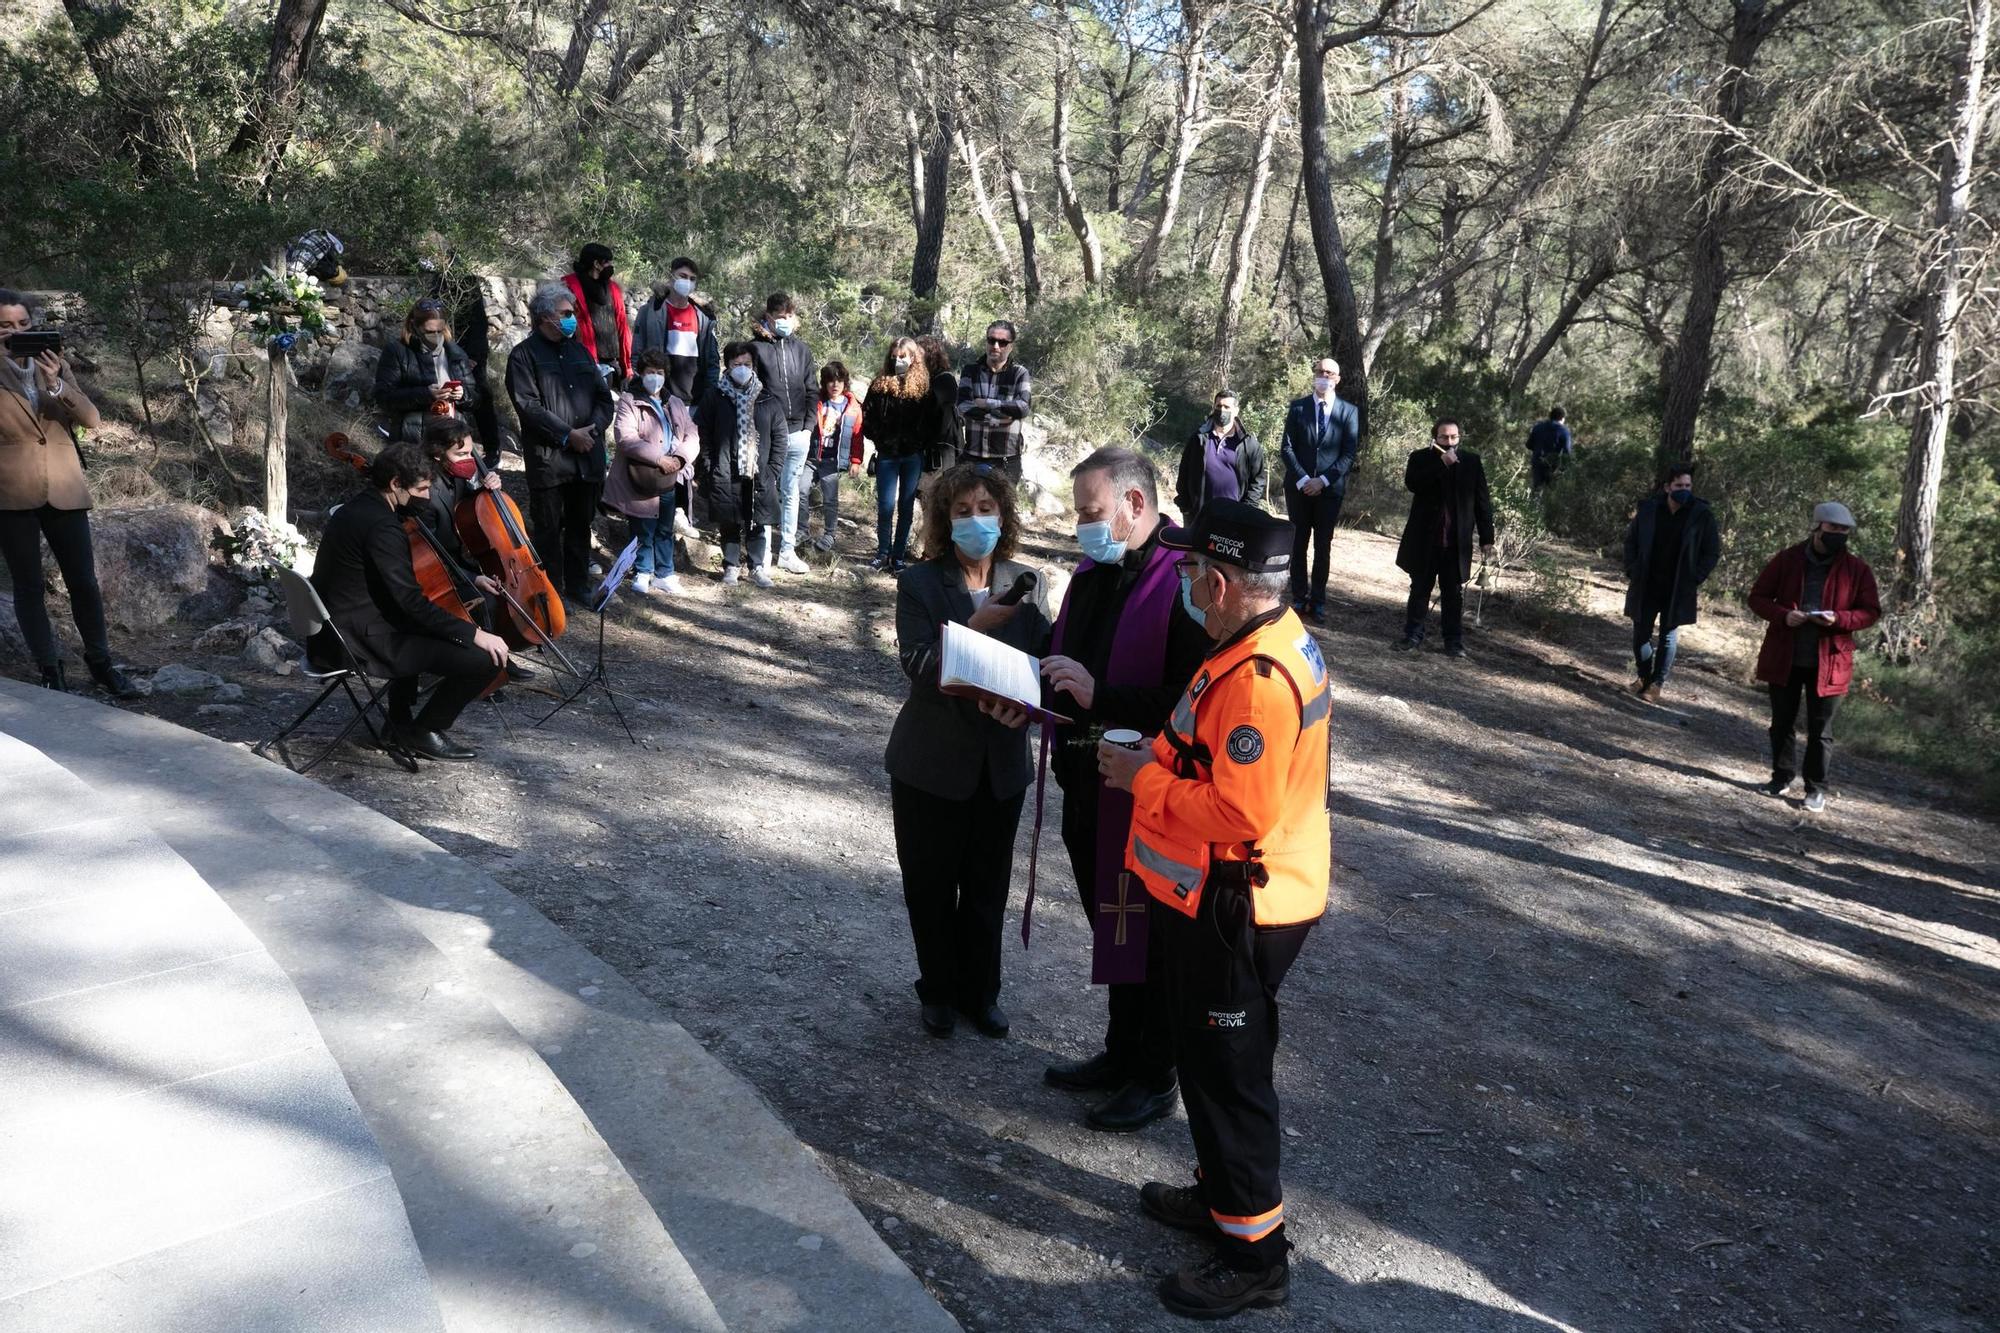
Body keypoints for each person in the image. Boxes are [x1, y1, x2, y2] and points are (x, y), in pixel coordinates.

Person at [1095, 499, 1330, 1320]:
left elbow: (1241, 814)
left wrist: (1142, 782)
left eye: (1194, 570)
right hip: (1217, 895)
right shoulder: (1248, 642)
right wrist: (1151, 754)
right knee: (1204, 1059)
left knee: (1230, 1078)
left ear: (1224, 582)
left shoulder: (1261, 678)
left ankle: (1256, 1255)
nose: (1186, 581)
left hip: (1240, 903)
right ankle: (1220, 1197)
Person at [1037, 447, 1209, 1132]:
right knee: (1112, 920)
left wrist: (1101, 693)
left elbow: (1192, 698)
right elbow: (1062, 658)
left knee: (1154, 940)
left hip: (1151, 794)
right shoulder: (1092, 570)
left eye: (1092, 512)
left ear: (1135, 505)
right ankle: (1119, 1051)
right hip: (1087, 778)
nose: (1083, 527)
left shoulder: (1185, 583)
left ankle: (1155, 1073)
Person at [884, 463, 1051, 1039]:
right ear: (943, 519)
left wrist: (1027, 708)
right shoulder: (920, 584)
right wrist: (974, 626)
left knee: (986, 889)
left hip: (1001, 767)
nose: (976, 519)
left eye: (986, 508)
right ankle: (938, 992)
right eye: (962, 510)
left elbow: (1043, 666)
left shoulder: (1029, 581)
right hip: (929, 766)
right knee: (930, 887)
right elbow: (919, 664)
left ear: (1003, 516)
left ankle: (982, 994)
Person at [308, 440, 511, 762]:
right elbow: (410, 603)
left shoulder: (355, 509)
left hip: (332, 631)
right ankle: (423, 731)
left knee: (422, 629)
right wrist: (475, 633)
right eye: (421, 489)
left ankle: (399, 722)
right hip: (355, 642)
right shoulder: (382, 527)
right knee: (486, 660)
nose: (427, 497)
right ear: (394, 484)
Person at [0, 290, 137, 697]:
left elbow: (92, 420)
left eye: (23, 325)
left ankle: (100, 663)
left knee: (84, 582)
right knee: (28, 587)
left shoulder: (54, 365)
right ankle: (49, 670)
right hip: (10, 493)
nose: (15, 333)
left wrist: (57, 383)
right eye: (5, 326)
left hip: (63, 486)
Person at [1747, 502, 1881, 814]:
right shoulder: (1787, 559)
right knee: (1781, 723)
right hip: (1786, 656)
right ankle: (1780, 777)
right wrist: (1783, 615)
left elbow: (1871, 611)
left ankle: (1815, 789)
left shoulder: (1857, 570)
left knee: (1821, 732)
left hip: (1831, 661)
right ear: (1818, 528)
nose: (1839, 535)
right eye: (1834, 529)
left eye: (1844, 531)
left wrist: (1840, 619)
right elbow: (1758, 597)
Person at [506, 282, 615, 604]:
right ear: (544, 316)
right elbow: (528, 406)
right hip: (551, 461)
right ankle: (549, 594)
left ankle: (578, 587)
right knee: (549, 531)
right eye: (566, 314)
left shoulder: (579, 351)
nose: (572, 320)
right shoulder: (523, 356)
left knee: (581, 528)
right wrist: (568, 435)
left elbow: (603, 399)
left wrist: (592, 431)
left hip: (586, 459)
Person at [1394, 418, 1494, 658]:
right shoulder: (1420, 458)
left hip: (1455, 543)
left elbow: (1482, 502)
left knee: (1453, 593)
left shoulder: (1471, 461)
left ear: (1459, 437)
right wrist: (1441, 464)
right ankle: (1413, 636)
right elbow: (1413, 484)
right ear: (1434, 438)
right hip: (1425, 539)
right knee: (1420, 589)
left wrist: (1487, 538)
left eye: (1454, 437)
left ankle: (1453, 642)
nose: (1449, 442)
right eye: (1444, 437)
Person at [1622, 463, 1719, 703]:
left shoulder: (1701, 514)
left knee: (1668, 635)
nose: (1684, 490)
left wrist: (1695, 578)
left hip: (1678, 587)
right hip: (1647, 582)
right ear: (1667, 487)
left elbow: (1711, 552)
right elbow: (1631, 541)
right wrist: (1632, 569)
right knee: (1640, 634)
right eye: (1679, 486)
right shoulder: (1649, 510)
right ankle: (1644, 677)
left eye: (1688, 485)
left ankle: (1656, 684)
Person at [605, 348, 699, 596]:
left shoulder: (675, 402)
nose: (655, 377)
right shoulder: (629, 400)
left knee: (665, 528)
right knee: (642, 527)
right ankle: (642, 571)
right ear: (641, 373)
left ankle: (665, 573)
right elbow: (626, 438)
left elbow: (692, 433)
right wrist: (659, 459)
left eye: (659, 372)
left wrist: (679, 458)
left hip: (671, 475)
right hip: (642, 475)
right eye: (650, 372)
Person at [1277, 356, 1360, 621]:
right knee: (1298, 543)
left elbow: (1348, 454)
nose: (1324, 376)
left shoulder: (1349, 412)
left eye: (1329, 372)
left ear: (1337, 379)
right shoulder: (1299, 408)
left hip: (1329, 491)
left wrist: (1322, 481)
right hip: (1299, 489)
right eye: (1320, 371)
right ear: (1314, 375)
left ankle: (1318, 600)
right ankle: (1299, 598)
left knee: (1323, 546)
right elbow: (1287, 448)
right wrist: (1303, 479)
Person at [698, 342, 784, 588]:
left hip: (758, 472)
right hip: (726, 469)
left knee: (757, 519)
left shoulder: (767, 398)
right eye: (737, 364)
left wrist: (772, 470)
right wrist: (709, 463)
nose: (742, 369)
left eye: (747, 364)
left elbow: (780, 437)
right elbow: (703, 432)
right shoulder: (715, 396)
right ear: (727, 365)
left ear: (754, 366)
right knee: (730, 520)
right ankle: (731, 566)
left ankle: (757, 566)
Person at [748, 292, 816, 574]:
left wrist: (810, 427)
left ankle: (786, 551)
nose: (784, 322)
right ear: (768, 318)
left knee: (792, 492)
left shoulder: (802, 350)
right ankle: (761, 555)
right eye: (778, 318)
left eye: (788, 317)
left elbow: (812, 390)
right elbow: (752, 391)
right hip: (769, 433)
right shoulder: (755, 349)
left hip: (799, 431)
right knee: (765, 490)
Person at [417, 243, 503, 467]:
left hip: (468, 352)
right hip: (444, 348)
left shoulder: (465, 283)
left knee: (480, 397)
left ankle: (492, 448)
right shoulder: (437, 280)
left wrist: (473, 356)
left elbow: (478, 323)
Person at [862, 336, 939, 572]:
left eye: (903, 357)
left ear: (913, 358)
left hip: (912, 456)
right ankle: (882, 553)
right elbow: (868, 417)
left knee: (906, 506)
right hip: (887, 455)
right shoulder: (879, 384)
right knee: (885, 505)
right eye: (895, 357)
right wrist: (881, 439)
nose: (898, 361)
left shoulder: (925, 387)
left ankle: (898, 556)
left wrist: (918, 443)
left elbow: (932, 422)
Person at [373, 298, 476, 444]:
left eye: (440, 331)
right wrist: (426, 394)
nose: (435, 336)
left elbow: (476, 398)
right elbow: (383, 397)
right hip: (412, 437)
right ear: (414, 326)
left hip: (452, 435)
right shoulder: (396, 351)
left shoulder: (455, 352)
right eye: (429, 331)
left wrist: (462, 394)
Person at [631, 256, 719, 409]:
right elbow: (637, 353)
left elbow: (712, 361)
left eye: (692, 279)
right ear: (670, 278)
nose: (687, 282)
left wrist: (710, 395)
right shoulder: (650, 312)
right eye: (683, 276)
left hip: (695, 404)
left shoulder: (703, 317)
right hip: (660, 400)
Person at [956, 320, 1032, 485]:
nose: (996, 346)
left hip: (1006, 459)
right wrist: (1001, 419)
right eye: (992, 340)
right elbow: (962, 406)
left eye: (1003, 342)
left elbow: (1023, 408)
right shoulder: (971, 371)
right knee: (967, 508)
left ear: (1010, 346)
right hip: (972, 455)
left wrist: (988, 403)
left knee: (1004, 510)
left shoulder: (1019, 373)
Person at [1176, 389, 1267, 520]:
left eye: (1227, 407)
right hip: (1198, 514)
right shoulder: (1199, 438)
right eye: (1218, 406)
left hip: (1233, 517)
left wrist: (1247, 510)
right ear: (1213, 408)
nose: (1222, 410)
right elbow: (1184, 471)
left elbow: (1257, 481)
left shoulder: (1248, 444)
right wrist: (1185, 505)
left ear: (1236, 411)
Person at [804, 362, 863, 553]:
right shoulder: (817, 401)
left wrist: (855, 461)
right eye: (830, 381)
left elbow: (857, 436)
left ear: (845, 382)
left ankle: (830, 534)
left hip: (832, 460)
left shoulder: (852, 407)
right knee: (800, 491)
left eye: (839, 380)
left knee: (830, 499)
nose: (835, 385)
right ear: (824, 383)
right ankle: (801, 531)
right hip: (812, 458)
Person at [561, 242, 631, 389]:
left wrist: (627, 366)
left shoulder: (613, 289)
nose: (611, 266)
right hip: (583, 359)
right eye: (607, 262)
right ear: (596, 264)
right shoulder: (569, 286)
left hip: (611, 361)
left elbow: (622, 326)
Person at [917, 334, 961, 481]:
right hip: (927, 450)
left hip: (940, 452)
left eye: (919, 354)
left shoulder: (944, 380)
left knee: (936, 496)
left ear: (930, 355)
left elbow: (943, 418)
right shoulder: (928, 379)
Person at [1526, 405, 1573, 495]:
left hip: (1537, 461)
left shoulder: (1538, 427)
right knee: (1551, 492)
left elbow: (1528, 445)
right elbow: (1567, 452)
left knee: (1537, 489)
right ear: (1562, 418)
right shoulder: (1563, 431)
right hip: (1552, 465)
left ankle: (1535, 508)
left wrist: (1538, 450)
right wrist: (1564, 469)